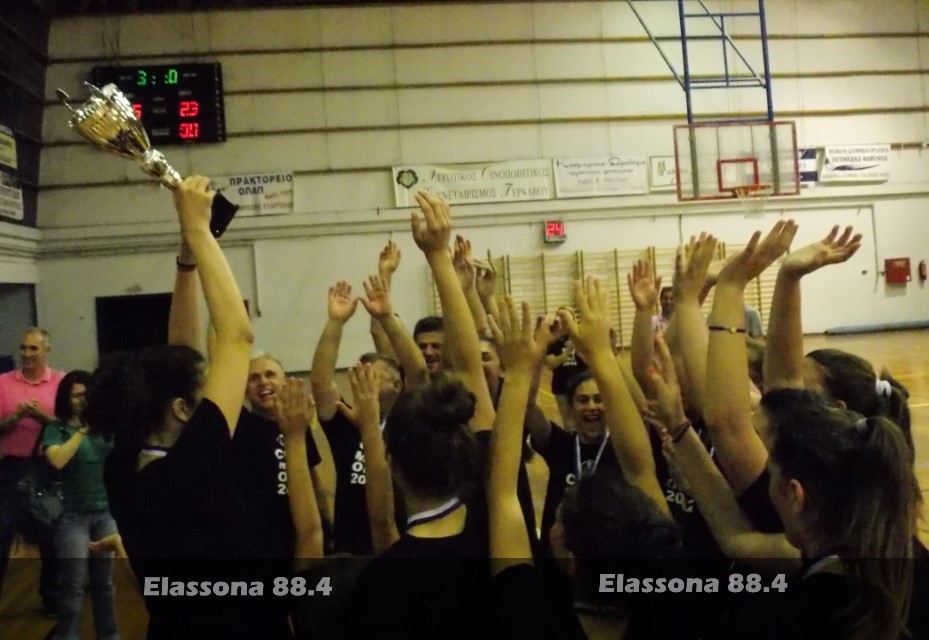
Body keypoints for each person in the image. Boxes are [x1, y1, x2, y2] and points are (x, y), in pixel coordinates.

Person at [89, 176, 264, 640]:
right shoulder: (189, 469)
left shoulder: (123, 464)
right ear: (183, 409)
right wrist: (201, 231)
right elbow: (237, 336)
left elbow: (180, 357)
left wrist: (187, 262)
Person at [43, 370, 118, 640]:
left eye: (86, 395)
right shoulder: (57, 429)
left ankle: (109, 636)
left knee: (104, 584)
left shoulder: (105, 428)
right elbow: (58, 460)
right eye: (76, 396)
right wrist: (81, 431)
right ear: (66, 398)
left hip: (106, 514)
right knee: (73, 586)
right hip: (73, 517)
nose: (82, 400)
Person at [0, 327, 64, 615]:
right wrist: (15, 417)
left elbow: (70, 427)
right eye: (24, 348)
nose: (26, 354)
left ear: (46, 350)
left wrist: (41, 417)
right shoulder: (3, 383)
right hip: (11, 468)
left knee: (51, 533)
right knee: (2, 531)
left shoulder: (61, 383)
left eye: (33, 348)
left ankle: (52, 598)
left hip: (49, 467)